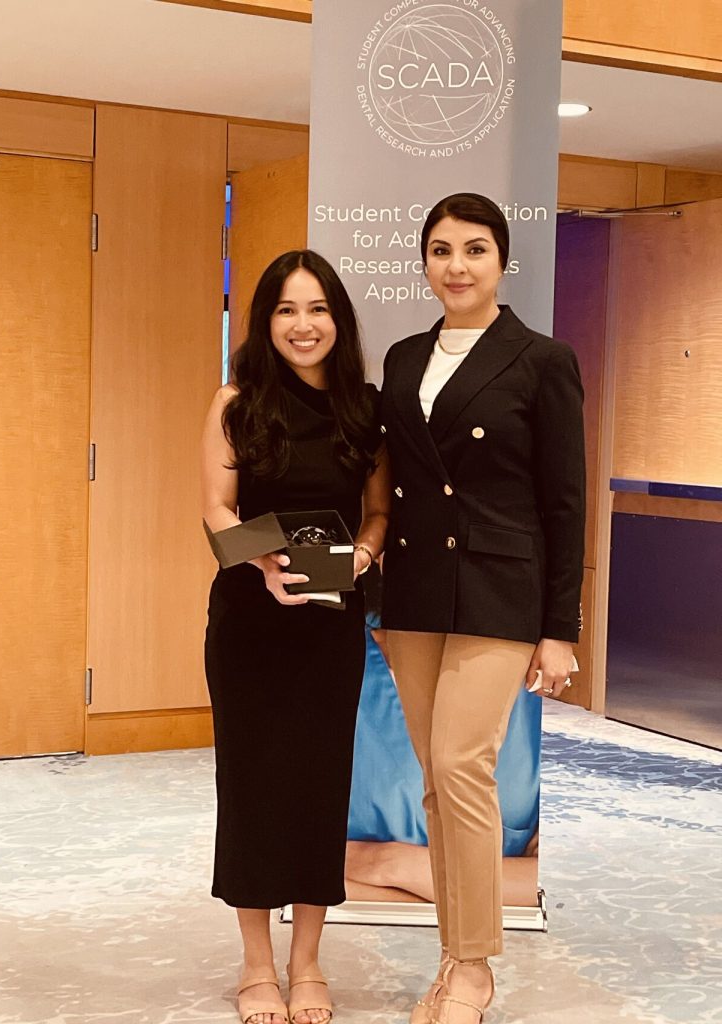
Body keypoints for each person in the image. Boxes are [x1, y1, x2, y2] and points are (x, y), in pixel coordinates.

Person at [380, 193, 585, 1023]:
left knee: (463, 766)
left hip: (502, 589)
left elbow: (565, 502)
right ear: (424, 262)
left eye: (473, 250)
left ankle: (474, 969)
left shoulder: (541, 359)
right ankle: (451, 954)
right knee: (436, 778)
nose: (455, 266)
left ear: (502, 261)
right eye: (440, 250)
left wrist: (560, 630)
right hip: (413, 588)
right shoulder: (399, 357)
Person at [202, 250, 389, 1024]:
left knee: (319, 784)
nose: (303, 325)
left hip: (331, 619)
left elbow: (380, 512)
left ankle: (307, 962)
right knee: (250, 786)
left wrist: (362, 559)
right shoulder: (234, 402)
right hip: (249, 618)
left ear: (338, 321)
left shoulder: (364, 409)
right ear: (265, 320)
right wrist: (268, 564)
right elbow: (217, 512)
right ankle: (255, 965)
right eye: (286, 309)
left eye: (318, 309)